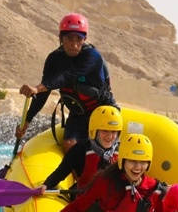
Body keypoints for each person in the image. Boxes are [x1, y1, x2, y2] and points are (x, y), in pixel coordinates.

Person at [33, 133, 178, 212]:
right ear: (122, 161)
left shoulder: (154, 190)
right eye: (133, 161)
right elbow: (78, 206)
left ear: (148, 164)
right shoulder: (105, 181)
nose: (137, 167)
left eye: (143, 162)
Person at [16, 13, 117, 153]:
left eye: (79, 39)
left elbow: (68, 76)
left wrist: (37, 88)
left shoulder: (92, 56)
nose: (74, 44)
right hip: (79, 114)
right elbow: (43, 94)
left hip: (103, 111)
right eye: (69, 38)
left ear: (85, 39)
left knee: (100, 148)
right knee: (69, 145)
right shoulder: (53, 60)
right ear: (61, 38)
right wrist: (26, 121)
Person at [37, 106, 122, 212]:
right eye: (105, 131)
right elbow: (61, 171)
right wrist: (46, 185)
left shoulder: (123, 154)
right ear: (95, 130)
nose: (110, 136)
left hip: (110, 207)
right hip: (84, 204)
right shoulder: (80, 150)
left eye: (114, 132)